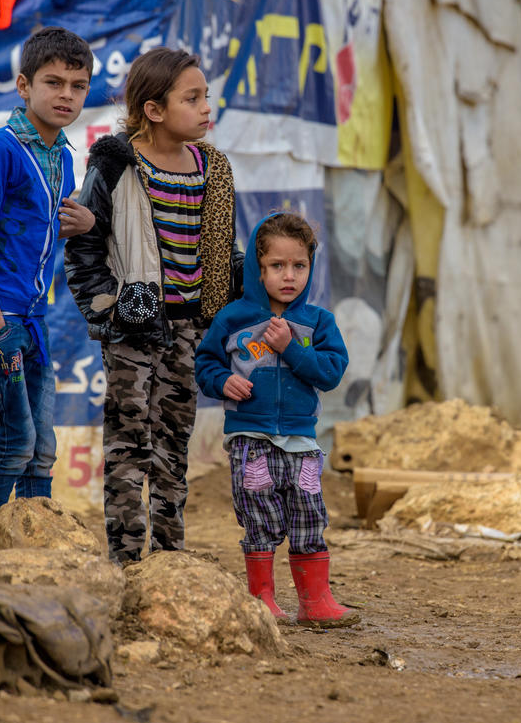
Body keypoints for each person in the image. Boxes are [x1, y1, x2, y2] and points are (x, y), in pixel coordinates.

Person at [65, 47, 239, 564]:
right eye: (193, 98)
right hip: (134, 325)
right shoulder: (117, 162)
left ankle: (170, 559)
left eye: (206, 95)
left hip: (191, 329)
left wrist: (229, 312)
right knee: (128, 442)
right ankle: (125, 559)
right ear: (154, 110)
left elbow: (224, 254)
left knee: (173, 441)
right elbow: (84, 248)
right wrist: (109, 312)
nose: (207, 107)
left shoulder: (213, 168)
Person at [195, 211, 359, 628]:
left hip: (302, 446)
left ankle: (315, 601)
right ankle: (262, 600)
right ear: (257, 267)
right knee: (260, 518)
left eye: (299, 265)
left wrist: (291, 347)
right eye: (276, 266)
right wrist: (222, 381)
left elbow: (331, 372)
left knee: (308, 518)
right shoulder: (233, 319)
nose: (289, 276)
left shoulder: (319, 323)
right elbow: (206, 364)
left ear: (311, 266)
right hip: (252, 442)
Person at [0, 26, 96, 532]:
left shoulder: (62, 156)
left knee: (42, 447)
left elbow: (49, 231)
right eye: (53, 82)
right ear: (23, 86)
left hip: (32, 315)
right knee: (15, 439)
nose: (66, 94)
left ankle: (35, 539)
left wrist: (88, 223)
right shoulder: (0, 149)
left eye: (78, 85)